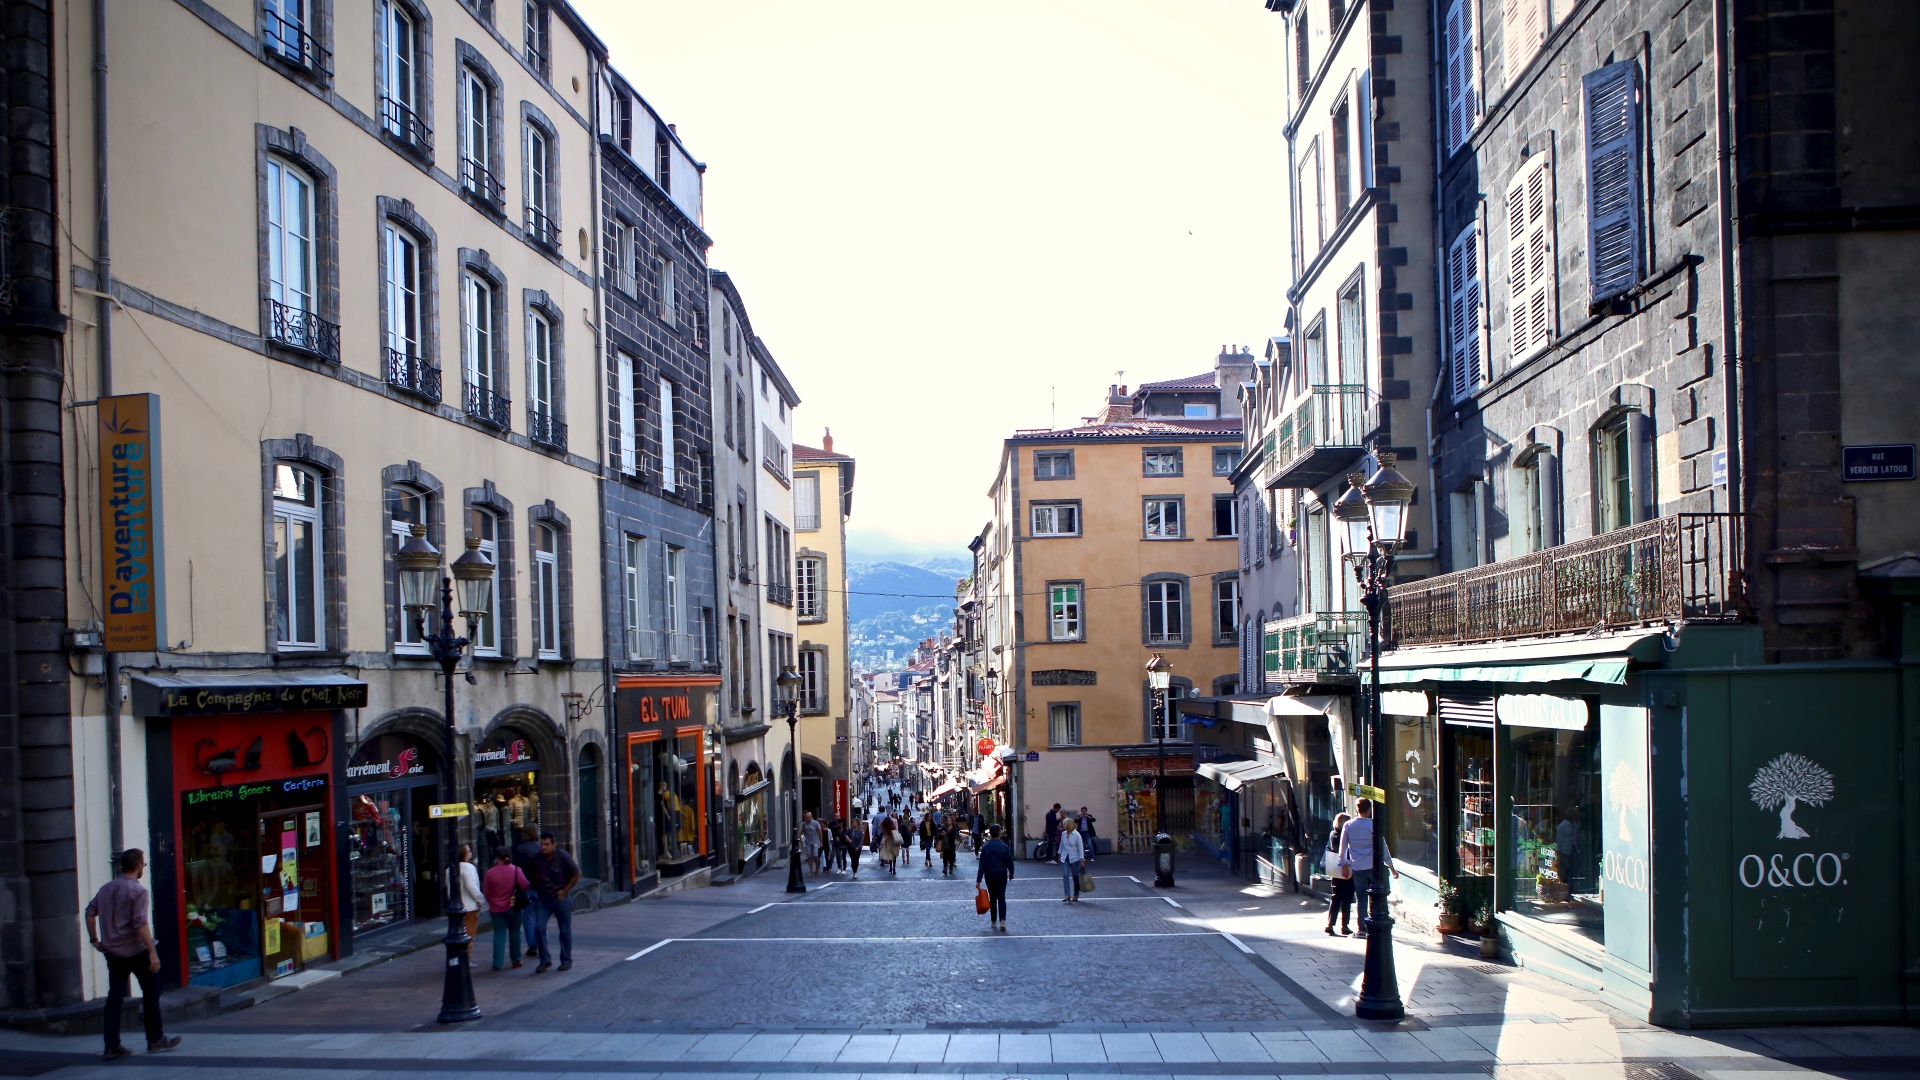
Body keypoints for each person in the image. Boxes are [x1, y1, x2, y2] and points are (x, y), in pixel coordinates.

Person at [86, 848, 181, 1059]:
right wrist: (152, 951)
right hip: (136, 951)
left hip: (113, 952)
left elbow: (90, 912)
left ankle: (112, 1045)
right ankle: (155, 1038)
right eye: (144, 865)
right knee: (150, 993)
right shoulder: (138, 891)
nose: (143, 868)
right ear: (138, 865)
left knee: (115, 997)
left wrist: (95, 940)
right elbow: (140, 924)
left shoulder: (106, 888)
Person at [1338, 799, 1399, 928]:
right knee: (1379, 894)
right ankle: (1381, 918)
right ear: (1369, 809)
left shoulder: (1348, 825)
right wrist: (1391, 868)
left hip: (1357, 867)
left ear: (1357, 809)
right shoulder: (1373, 825)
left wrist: (1343, 864)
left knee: (1361, 899)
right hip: (1373, 866)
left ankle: (1361, 926)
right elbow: (1383, 847)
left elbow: (1342, 848)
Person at [528, 831, 581, 973]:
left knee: (564, 929)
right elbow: (532, 874)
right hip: (544, 898)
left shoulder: (563, 856)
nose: (544, 847)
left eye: (546, 844)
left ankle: (566, 960)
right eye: (542, 844)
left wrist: (565, 891)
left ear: (553, 844)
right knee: (539, 927)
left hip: (560, 898)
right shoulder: (537, 858)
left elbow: (576, 873)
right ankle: (545, 960)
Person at [481, 850, 530, 970]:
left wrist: (492, 901)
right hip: (513, 906)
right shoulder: (515, 870)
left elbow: (486, 893)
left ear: (498, 857)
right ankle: (516, 959)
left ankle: (497, 962)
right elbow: (525, 885)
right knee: (515, 932)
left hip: (496, 908)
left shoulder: (490, 873)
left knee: (499, 934)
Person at [510, 825, 542, 960]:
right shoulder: (541, 848)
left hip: (526, 887)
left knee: (528, 918)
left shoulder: (520, 849)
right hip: (540, 888)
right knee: (540, 917)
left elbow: (516, 870)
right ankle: (541, 943)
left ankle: (533, 946)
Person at [976, 824, 1015, 932]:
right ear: (999, 833)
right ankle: (1002, 920)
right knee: (1001, 896)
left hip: (989, 874)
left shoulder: (985, 847)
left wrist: (978, 880)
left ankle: (993, 920)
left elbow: (982, 865)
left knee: (992, 897)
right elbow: (1009, 861)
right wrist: (1011, 873)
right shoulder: (1004, 846)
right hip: (1001, 873)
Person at [1323, 812, 1355, 936]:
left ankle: (1330, 924)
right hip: (1345, 868)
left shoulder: (1333, 834)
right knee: (1347, 898)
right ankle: (1344, 925)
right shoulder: (1345, 835)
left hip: (1335, 870)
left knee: (1336, 897)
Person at [456, 843, 484, 956]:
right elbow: (472, 886)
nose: (470, 852)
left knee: (459, 934)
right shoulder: (468, 868)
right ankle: (466, 959)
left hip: (458, 907)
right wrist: (480, 899)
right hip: (470, 907)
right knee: (469, 935)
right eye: (468, 851)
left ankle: (461, 957)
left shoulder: (450, 868)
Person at [1057, 814, 1087, 902]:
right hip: (1065, 857)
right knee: (1065, 875)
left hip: (1075, 858)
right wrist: (1059, 855)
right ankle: (1067, 895)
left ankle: (1076, 894)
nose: (1063, 826)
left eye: (1064, 824)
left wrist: (1082, 859)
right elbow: (1061, 845)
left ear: (1069, 825)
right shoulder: (1063, 834)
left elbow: (1080, 848)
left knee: (1075, 876)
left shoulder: (1077, 835)